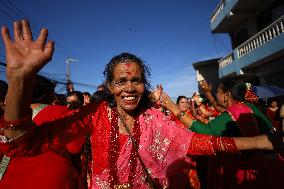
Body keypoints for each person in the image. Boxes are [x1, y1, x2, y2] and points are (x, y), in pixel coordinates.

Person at [0, 20, 280, 189]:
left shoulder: (155, 118)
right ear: (109, 87)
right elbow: (21, 144)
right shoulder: (94, 115)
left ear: (144, 84)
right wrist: (18, 80)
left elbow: (197, 143)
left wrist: (261, 142)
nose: (129, 88)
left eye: (136, 80)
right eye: (121, 82)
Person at [160, 78, 284, 188]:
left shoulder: (235, 111)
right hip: (261, 167)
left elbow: (206, 131)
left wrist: (175, 109)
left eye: (218, 92)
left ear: (227, 95)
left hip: (244, 171)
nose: (216, 94)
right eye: (182, 102)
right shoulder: (251, 107)